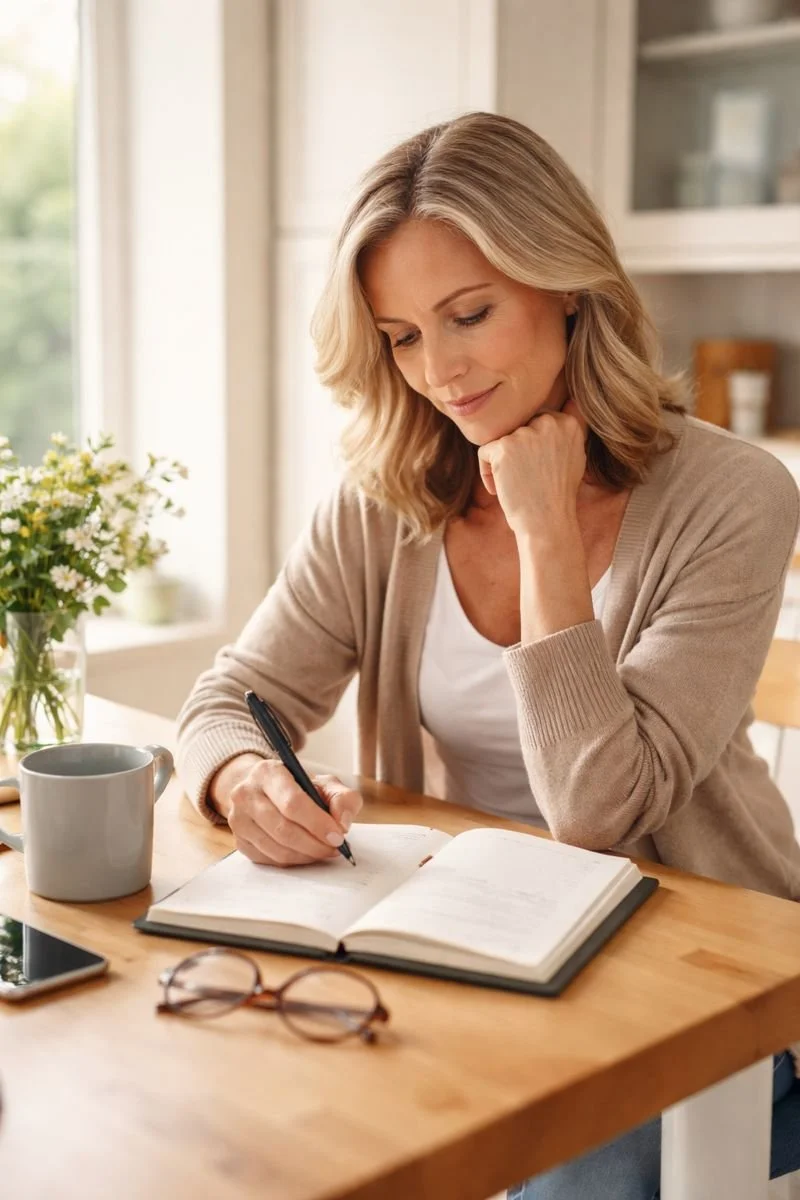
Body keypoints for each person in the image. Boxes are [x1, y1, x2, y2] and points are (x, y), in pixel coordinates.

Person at [176, 112, 800, 1198]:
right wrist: (241, 779)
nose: (440, 371)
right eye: (402, 336)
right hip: (472, 954)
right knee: (243, 1115)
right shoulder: (385, 502)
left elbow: (599, 812)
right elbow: (231, 696)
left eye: (468, 315)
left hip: (706, 993)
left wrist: (545, 534)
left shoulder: (732, 498)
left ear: (564, 285)